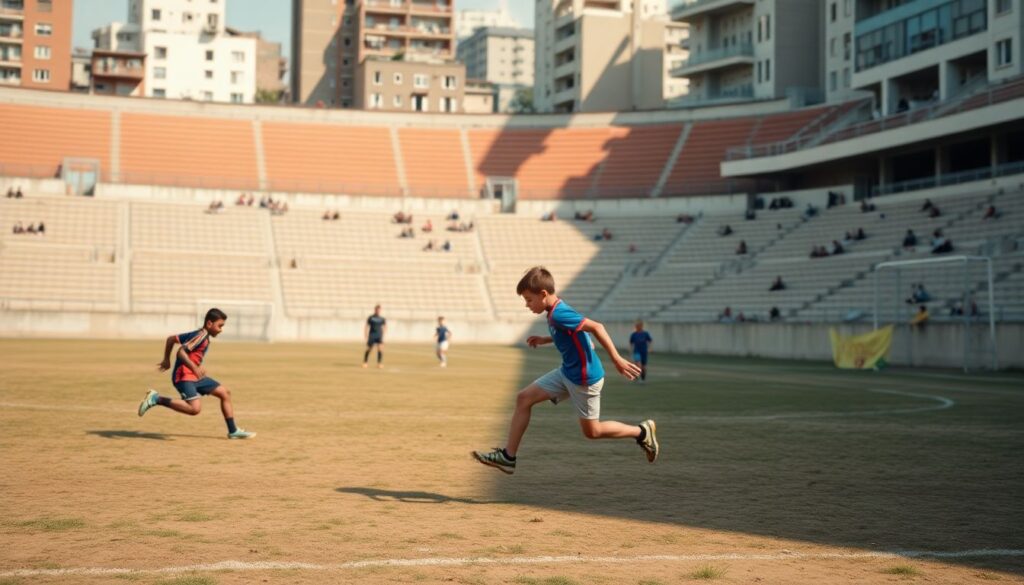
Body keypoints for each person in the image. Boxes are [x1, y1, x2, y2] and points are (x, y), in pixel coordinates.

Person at [472, 267, 656, 475]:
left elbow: (597, 327)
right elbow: (573, 332)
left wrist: (617, 359)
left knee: (592, 432)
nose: (526, 305)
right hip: (568, 372)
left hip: (584, 379)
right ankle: (508, 457)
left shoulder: (559, 313)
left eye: (528, 299)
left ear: (543, 294)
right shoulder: (554, 311)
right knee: (523, 398)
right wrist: (546, 339)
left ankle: (641, 432)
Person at [136, 308, 255, 439]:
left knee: (224, 393)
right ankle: (156, 399)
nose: (221, 329)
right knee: (194, 409)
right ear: (209, 324)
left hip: (194, 376)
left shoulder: (197, 334)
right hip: (184, 376)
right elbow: (181, 352)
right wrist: (194, 368)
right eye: (219, 326)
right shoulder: (201, 336)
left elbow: (171, 339)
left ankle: (233, 431)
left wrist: (166, 360)